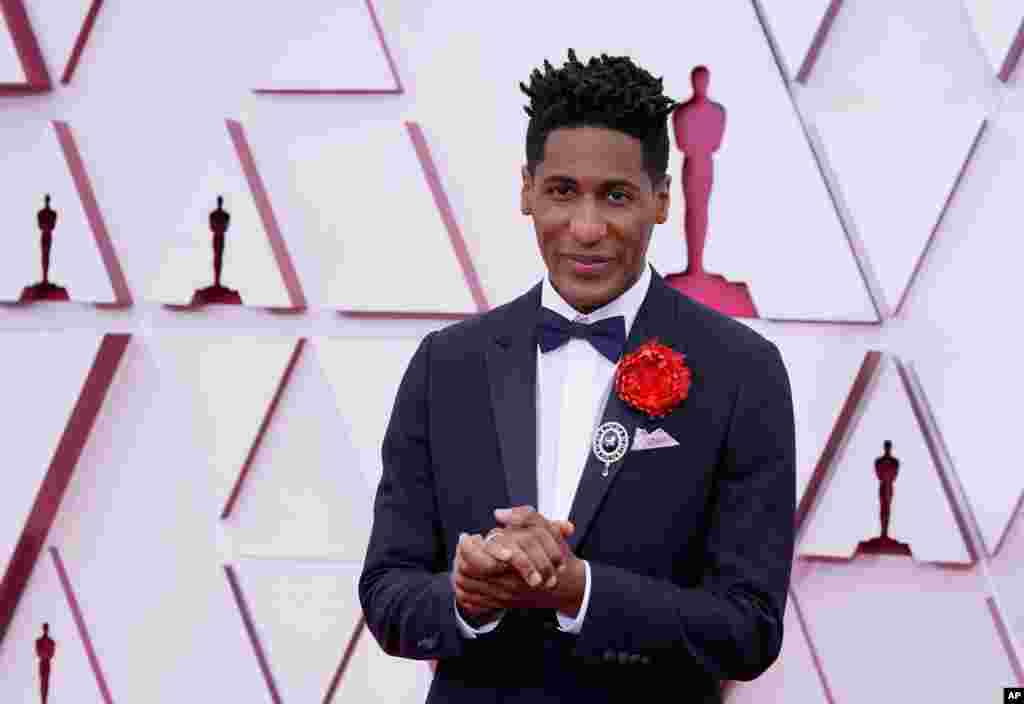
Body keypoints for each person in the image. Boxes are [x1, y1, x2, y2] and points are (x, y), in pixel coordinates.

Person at [359, 48, 796, 703]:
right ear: (527, 189)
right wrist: (468, 596)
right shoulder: (445, 366)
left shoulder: (741, 371)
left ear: (661, 201)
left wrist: (582, 590)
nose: (586, 228)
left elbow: (748, 628)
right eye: (563, 191)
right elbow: (388, 591)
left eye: (615, 196)